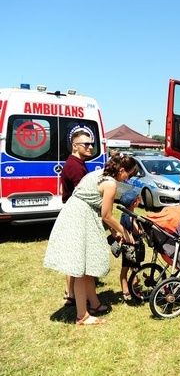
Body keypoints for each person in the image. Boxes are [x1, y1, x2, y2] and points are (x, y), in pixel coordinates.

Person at [44, 153, 139, 326]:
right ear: (122, 170)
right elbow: (107, 215)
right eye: (129, 175)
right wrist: (125, 232)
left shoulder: (97, 174)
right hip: (80, 220)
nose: (128, 179)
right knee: (80, 268)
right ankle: (82, 316)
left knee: (87, 266)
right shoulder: (110, 183)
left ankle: (94, 304)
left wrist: (113, 229)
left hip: (73, 216)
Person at [60, 129, 94, 307]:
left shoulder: (77, 163)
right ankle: (72, 294)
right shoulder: (74, 165)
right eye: (86, 144)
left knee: (73, 255)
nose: (90, 147)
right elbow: (82, 194)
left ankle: (71, 293)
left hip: (72, 210)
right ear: (75, 146)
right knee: (76, 257)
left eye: (91, 144)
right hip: (75, 214)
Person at [117, 188, 143, 302]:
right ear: (134, 202)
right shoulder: (131, 216)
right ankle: (135, 290)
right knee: (134, 270)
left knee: (124, 270)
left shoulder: (123, 214)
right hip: (132, 247)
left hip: (125, 247)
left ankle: (125, 291)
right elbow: (137, 231)